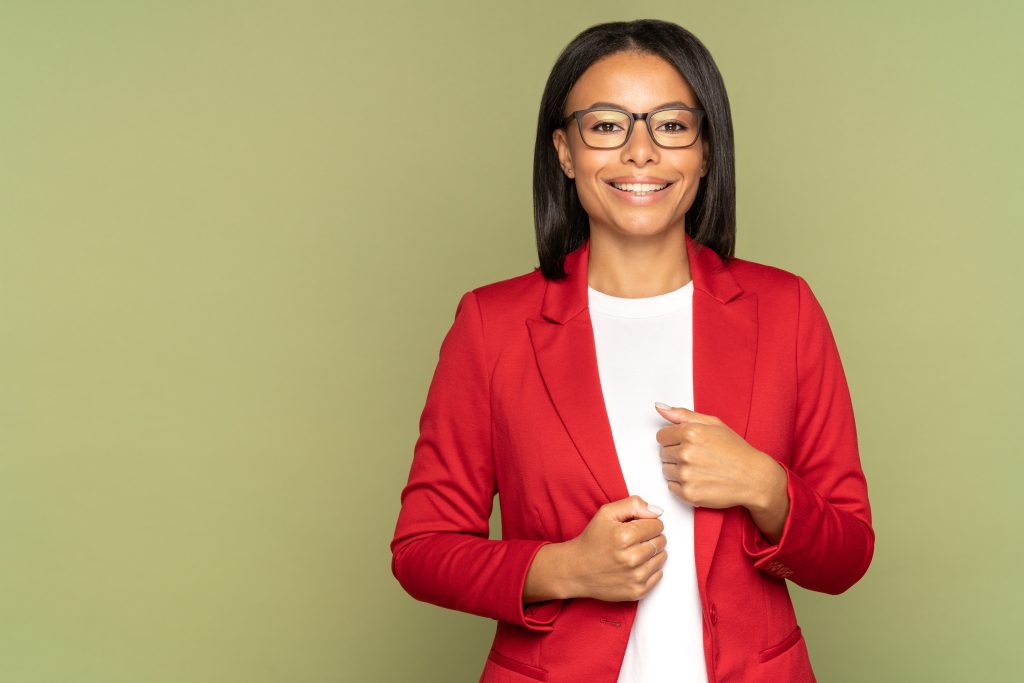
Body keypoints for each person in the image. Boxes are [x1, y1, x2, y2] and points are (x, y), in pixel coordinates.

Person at [390, 18, 874, 683]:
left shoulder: (786, 310)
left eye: (671, 125)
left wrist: (765, 484)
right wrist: (566, 567)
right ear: (564, 151)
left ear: (705, 150)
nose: (640, 151)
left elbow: (846, 556)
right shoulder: (492, 325)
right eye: (607, 125)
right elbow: (422, 547)